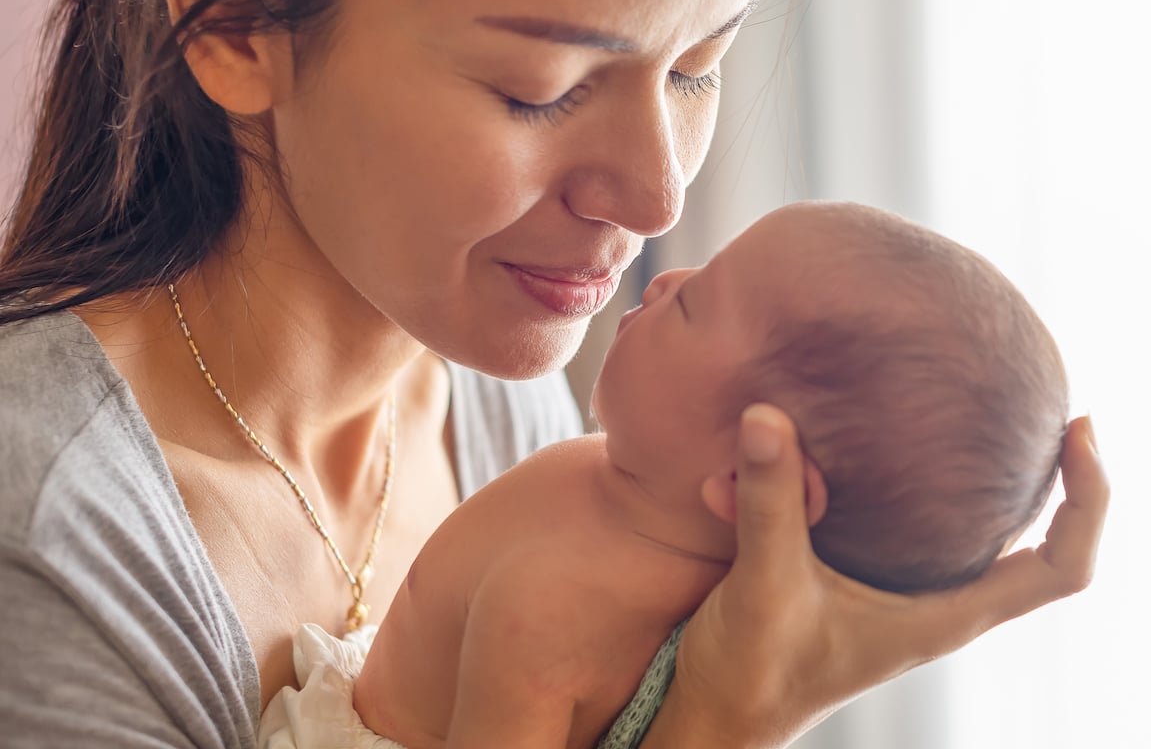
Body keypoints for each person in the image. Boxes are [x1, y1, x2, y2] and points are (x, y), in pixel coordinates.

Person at [0, 0, 1108, 747]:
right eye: (544, 88)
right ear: (236, 17)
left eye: (694, 69)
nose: (657, 196)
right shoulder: (48, 540)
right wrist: (725, 719)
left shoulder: (512, 405)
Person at [256, 200, 1070, 749]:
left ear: (756, 478)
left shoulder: (552, 607)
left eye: (694, 305)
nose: (668, 278)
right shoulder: (656, 518)